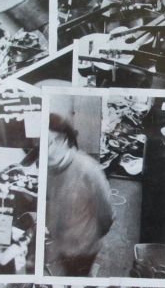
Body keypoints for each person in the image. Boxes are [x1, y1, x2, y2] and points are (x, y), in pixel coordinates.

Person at [45, 113, 114, 276]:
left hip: (83, 249)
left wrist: (89, 240)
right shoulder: (48, 169)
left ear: (64, 141)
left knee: (77, 280)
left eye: (49, 143)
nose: (46, 151)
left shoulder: (89, 170)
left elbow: (106, 215)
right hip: (60, 246)